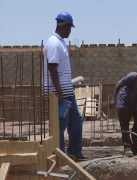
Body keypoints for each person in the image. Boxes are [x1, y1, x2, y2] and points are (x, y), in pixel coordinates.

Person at [43, 12, 85, 160]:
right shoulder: (54, 43)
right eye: (69, 27)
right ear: (63, 26)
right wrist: (59, 92)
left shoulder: (61, 42)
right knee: (59, 125)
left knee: (76, 122)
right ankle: (60, 155)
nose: (70, 31)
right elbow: (52, 68)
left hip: (67, 91)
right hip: (59, 93)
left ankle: (74, 152)